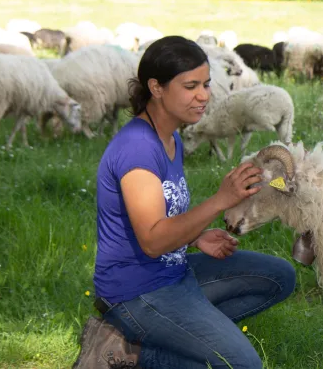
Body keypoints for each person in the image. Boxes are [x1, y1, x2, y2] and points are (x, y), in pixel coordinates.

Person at [73, 36, 296, 369]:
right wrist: (221, 200)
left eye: (206, 84)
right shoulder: (137, 148)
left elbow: (160, 211)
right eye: (191, 86)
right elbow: (152, 240)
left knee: (280, 276)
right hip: (136, 293)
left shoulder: (170, 135)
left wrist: (195, 237)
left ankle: (184, 337)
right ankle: (123, 351)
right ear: (157, 88)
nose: (204, 95)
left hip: (173, 273)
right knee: (241, 365)